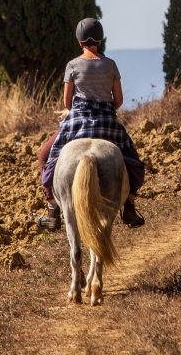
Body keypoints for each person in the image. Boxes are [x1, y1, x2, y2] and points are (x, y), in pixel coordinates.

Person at [36, 18, 146, 231]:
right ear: (100, 40)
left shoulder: (72, 65)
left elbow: (67, 103)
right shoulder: (111, 64)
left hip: (77, 121)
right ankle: (130, 205)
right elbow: (119, 100)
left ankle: (52, 208)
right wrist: (105, 107)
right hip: (107, 121)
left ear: (79, 42)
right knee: (133, 160)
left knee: (44, 156)